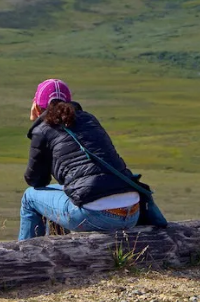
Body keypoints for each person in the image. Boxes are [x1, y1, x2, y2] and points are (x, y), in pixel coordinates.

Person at [18, 78, 141, 241]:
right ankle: (58, 251)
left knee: (30, 196)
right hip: (133, 210)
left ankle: (27, 257)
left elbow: (35, 180)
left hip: (96, 215)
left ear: (37, 105)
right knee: (65, 191)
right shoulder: (89, 119)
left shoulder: (43, 130)